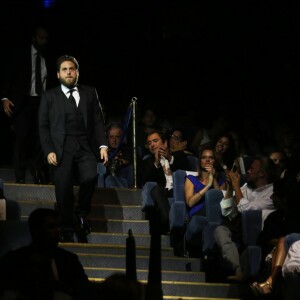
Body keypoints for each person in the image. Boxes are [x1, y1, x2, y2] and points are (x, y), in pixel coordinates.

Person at [38, 55, 108, 243]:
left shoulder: (90, 92)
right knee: (63, 188)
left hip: (85, 145)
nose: (68, 72)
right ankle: (66, 226)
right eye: (64, 69)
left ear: (77, 72)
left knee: (90, 177)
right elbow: (43, 127)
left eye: (71, 69)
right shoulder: (49, 96)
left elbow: (97, 121)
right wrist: (49, 150)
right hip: (62, 147)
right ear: (58, 74)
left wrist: (103, 145)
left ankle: (81, 213)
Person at [1, 24, 56, 184]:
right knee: (22, 137)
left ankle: (37, 169)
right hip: (24, 102)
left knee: (42, 138)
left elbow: (52, 81)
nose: (44, 41)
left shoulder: (49, 57)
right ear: (34, 38)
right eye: (41, 38)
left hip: (42, 101)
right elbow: (8, 76)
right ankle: (19, 174)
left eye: (46, 38)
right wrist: (4, 97)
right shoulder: (21, 55)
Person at [0, 208, 90, 300]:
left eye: (58, 227)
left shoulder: (69, 260)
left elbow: (83, 291)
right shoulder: (14, 260)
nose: (58, 231)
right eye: (51, 227)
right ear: (36, 230)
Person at [213, 155, 277, 281]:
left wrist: (236, 187)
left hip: (257, 232)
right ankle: (238, 269)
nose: (248, 171)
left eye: (252, 169)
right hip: (239, 227)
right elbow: (226, 211)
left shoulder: (272, 192)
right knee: (220, 230)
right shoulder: (247, 187)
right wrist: (231, 186)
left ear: (262, 173)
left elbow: (247, 210)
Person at [141, 130, 191, 234]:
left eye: (155, 141)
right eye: (149, 143)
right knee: (156, 190)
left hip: (180, 190)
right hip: (163, 191)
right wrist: (156, 163)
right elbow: (145, 181)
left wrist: (170, 158)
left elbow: (188, 173)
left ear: (165, 143)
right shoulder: (147, 162)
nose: (152, 145)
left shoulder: (179, 155)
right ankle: (169, 220)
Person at [105, 122, 133, 187]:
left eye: (117, 137)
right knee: (109, 179)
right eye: (111, 137)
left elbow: (132, 163)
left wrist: (122, 161)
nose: (114, 140)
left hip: (123, 178)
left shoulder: (127, 149)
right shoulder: (104, 151)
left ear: (122, 138)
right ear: (107, 138)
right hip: (108, 177)